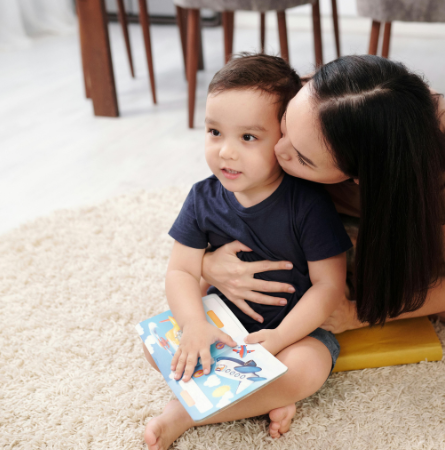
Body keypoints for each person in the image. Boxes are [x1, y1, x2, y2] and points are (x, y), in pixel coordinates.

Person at [201, 55, 445, 432]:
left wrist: (359, 314)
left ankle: (435, 255)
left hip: (401, 236)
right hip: (308, 241)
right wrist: (208, 263)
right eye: (283, 126)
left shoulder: (436, 152)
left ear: (360, 176)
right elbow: (214, 197)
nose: (279, 151)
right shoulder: (291, 95)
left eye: (301, 157)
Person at [142, 54, 352, 450]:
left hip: (290, 331)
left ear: (284, 141)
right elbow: (182, 272)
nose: (225, 152)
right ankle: (266, 396)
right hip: (221, 322)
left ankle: (186, 413)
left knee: (308, 369)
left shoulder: (308, 203)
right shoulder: (202, 197)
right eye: (215, 132)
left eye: (248, 138)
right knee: (154, 346)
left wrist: (277, 339)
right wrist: (194, 327)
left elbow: (328, 286)